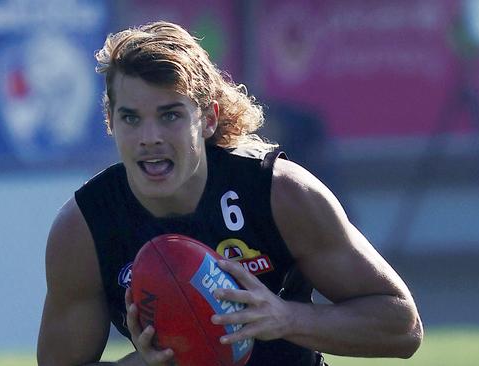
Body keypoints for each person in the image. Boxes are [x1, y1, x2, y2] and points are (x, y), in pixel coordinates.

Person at [37, 21, 423, 366]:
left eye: (170, 115)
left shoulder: (278, 192)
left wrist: (285, 317)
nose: (149, 138)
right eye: (131, 118)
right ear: (111, 122)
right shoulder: (84, 228)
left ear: (208, 120)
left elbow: (402, 326)